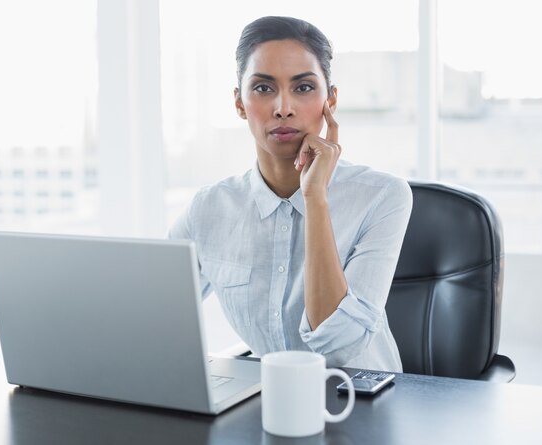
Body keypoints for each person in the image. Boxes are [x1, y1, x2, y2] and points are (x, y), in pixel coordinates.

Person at [169, 16, 412, 371]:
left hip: (362, 403)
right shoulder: (208, 209)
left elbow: (336, 348)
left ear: (331, 100)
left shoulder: (383, 197)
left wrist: (314, 198)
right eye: (264, 88)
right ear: (239, 104)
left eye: (303, 88)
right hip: (267, 402)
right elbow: (150, 314)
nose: (283, 107)